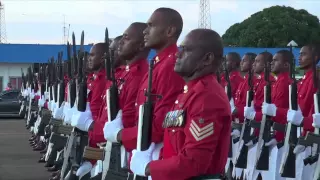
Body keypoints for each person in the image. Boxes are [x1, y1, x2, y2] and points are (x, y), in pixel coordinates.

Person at [129, 28, 231, 180]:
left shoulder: (207, 98)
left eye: (186, 50)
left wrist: (149, 167)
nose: (178, 54)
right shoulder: (189, 93)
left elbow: (194, 161)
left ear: (207, 59)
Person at [103, 7, 185, 170]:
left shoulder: (170, 66)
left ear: (169, 31)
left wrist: (121, 135)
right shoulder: (158, 63)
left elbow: (160, 123)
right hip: (143, 145)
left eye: (151, 26)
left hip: (155, 150)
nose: (145, 31)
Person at [284, 44, 320, 180]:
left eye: (303, 54)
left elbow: (312, 109)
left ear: (315, 57)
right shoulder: (303, 80)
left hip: (309, 137)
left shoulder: (315, 79)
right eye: (299, 54)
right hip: (299, 135)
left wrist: (305, 123)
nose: (299, 57)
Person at [256, 50, 293, 180]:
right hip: (273, 135)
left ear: (286, 65)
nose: (272, 62)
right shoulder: (278, 82)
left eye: (276, 60)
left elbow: (285, 112)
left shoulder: (285, 82)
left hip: (282, 137)